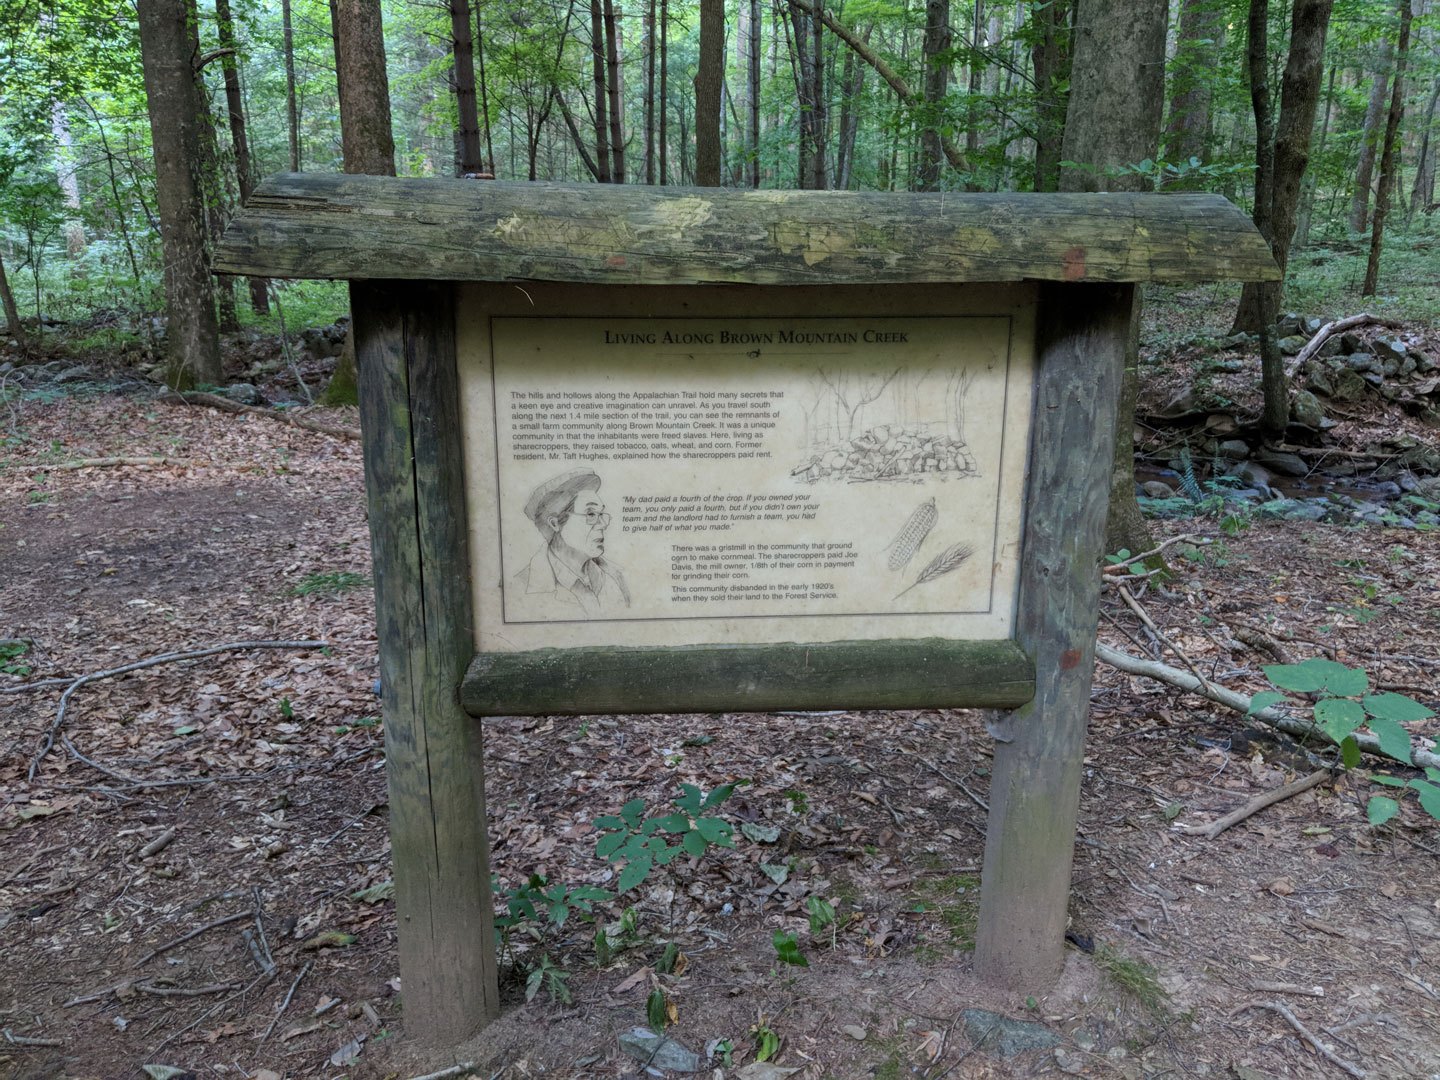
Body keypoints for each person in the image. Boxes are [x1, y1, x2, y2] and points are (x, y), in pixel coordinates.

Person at [511, 467, 630, 618]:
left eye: (601, 514)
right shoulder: (519, 587)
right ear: (555, 523)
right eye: (591, 514)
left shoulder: (617, 576)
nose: (602, 524)